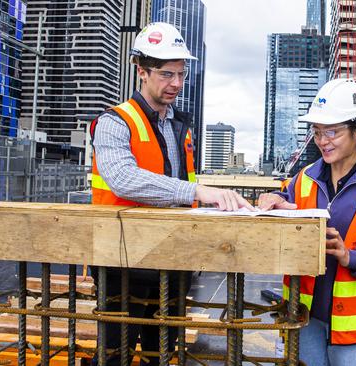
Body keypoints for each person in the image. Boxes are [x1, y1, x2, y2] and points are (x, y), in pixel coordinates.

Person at [90, 22, 253, 366]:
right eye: (166, 74)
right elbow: (123, 178)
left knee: (162, 355)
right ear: (142, 72)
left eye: (180, 74)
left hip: (173, 256)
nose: (176, 84)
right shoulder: (115, 122)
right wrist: (199, 191)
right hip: (123, 261)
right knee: (114, 355)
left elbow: (177, 183)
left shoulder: (179, 125)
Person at [258, 79, 356, 366]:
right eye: (317, 132)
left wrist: (350, 257)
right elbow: (284, 199)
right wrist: (273, 200)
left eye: (332, 131)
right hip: (305, 316)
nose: (322, 141)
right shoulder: (304, 178)